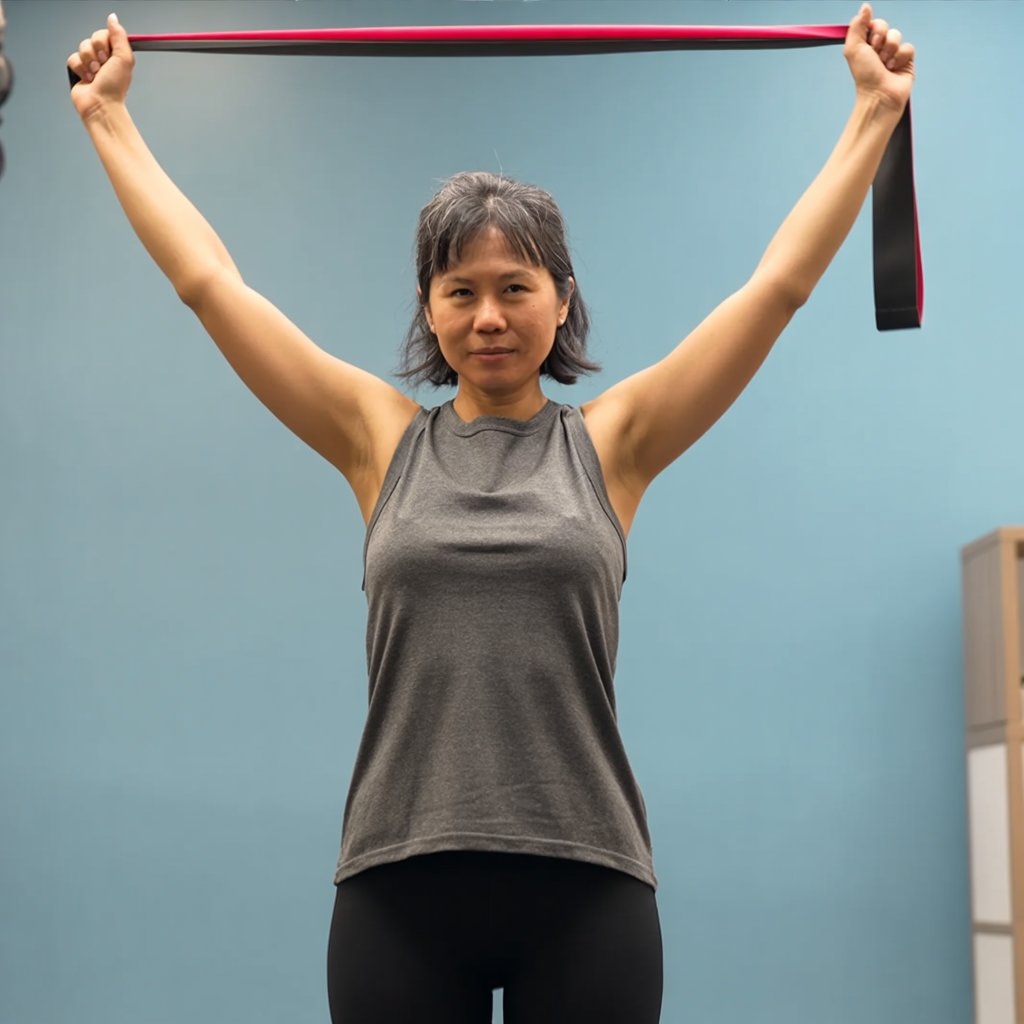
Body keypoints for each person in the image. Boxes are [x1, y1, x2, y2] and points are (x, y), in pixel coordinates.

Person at [68, 7, 915, 1022]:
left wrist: (873, 113)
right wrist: (109, 120)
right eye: (459, 290)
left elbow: (776, 289)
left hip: (586, 881)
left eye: (515, 287)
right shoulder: (377, 439)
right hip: (399, 883)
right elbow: (211, 285)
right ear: (428, 307)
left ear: (561, 298)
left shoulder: (614, 444)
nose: (489, 316)